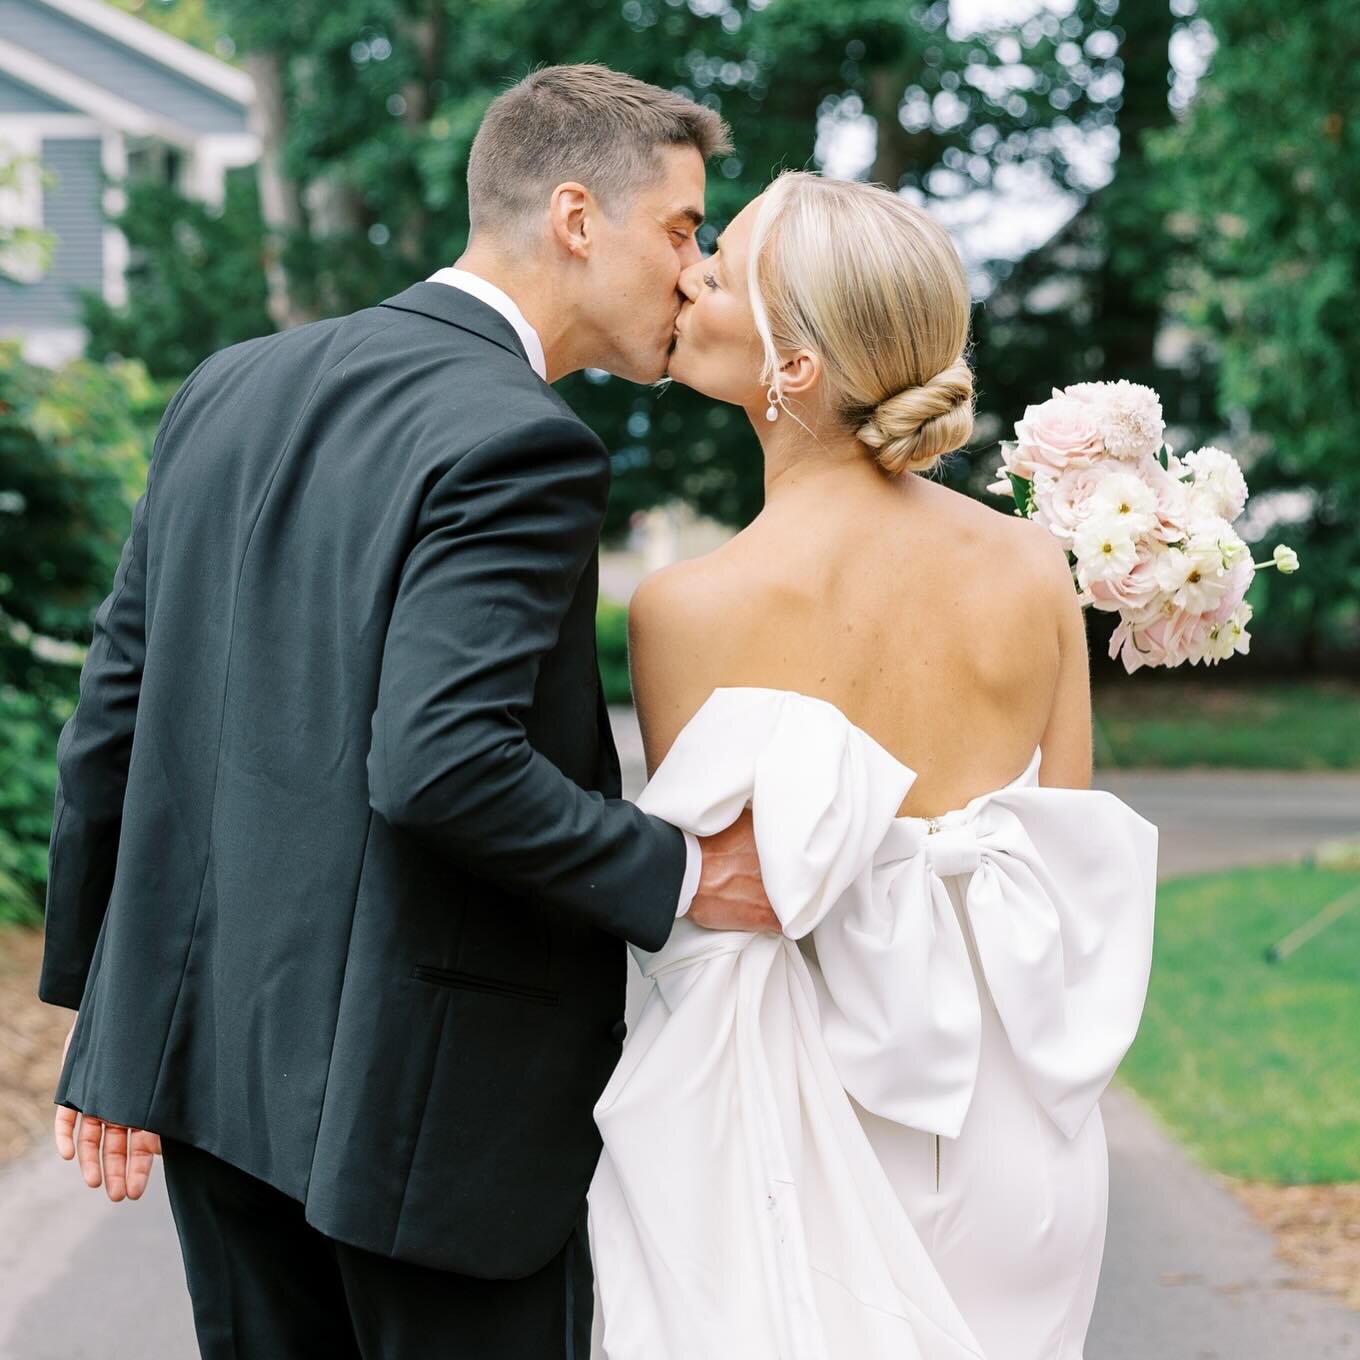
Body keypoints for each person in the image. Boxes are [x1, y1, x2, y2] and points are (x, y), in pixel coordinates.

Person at [39, 64, 779, 1360]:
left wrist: (111, 1028)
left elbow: (114, 718)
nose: (693, 268)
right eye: (680, 227)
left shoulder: (229, 386)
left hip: (217, 1089)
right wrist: (680, 875)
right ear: (573, 217)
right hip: (431, 1120)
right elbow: (442, 762)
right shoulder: (521, 439)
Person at [587, 171, 1159, 1359]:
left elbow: (713, 928)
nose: (688, 271)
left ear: (793, 368)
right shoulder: (1027, 568)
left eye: (721, 258)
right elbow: (1061, 857)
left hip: (806, 1125)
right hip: (1022, 1130)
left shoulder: (684, 610)